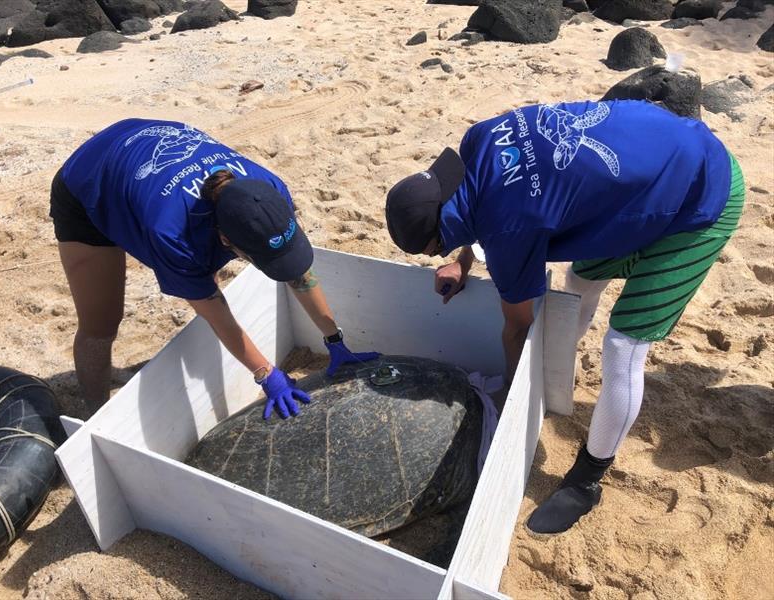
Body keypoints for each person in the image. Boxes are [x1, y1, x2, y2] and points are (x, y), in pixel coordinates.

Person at [384, 99, 744, 534]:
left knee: (623, 347)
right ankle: (560, 373)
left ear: (434, 242)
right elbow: (489, 204)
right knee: (579, 282)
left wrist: (514, 403)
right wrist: (464, 260)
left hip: (704, 196)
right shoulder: (480, 137)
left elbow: (517, 327)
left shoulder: (509, 231)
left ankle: (587, 479)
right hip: (654, 159)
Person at [51, 118, 379, 419]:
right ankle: (93, 417)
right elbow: (213, 311)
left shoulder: (268, 189)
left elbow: (301, 275)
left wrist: (335, 340)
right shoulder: (173, 235)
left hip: (144, 143)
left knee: (224, 268)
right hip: (91, 179)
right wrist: (266, 374)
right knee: (101, 324)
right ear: (224, 239)